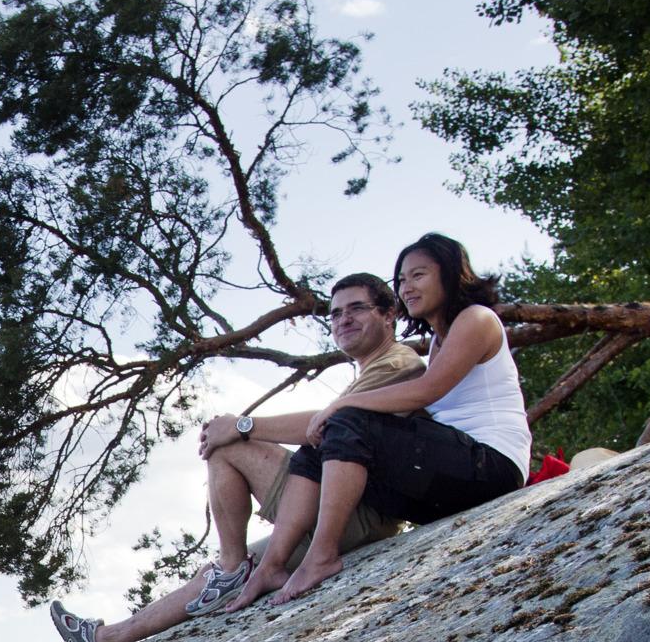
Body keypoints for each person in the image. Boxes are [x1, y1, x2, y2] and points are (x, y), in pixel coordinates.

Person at [47, 272, 426, 642]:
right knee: (228, 572)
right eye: (334, 314)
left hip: (357, 513)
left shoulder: (398, 363)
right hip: (347, 514)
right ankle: (103, 640)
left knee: (227, 446)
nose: (343, 320)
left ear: (389, 316)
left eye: (356, 309)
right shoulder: (371, 369)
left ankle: (230, 567)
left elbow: (328, 427)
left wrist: (243, 425)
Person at [223, 232, 529, 608]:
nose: (407, 288)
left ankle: (321, 555)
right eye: (401, 280)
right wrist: (333, 418)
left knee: (346, 421)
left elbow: (427, 390)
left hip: (491, 468)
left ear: (450, 274)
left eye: (418, 275)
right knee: (318, 441)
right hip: (449, 483)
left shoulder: (476, 319)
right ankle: (271, 565)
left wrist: (340, 407)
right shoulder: (437, 341)